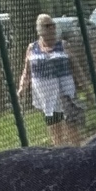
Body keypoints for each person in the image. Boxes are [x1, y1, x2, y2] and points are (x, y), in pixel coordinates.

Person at [18, 13, 87, 146]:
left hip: (65, 92)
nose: (52, 28)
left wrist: (86, 87)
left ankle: (77, 150)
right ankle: (59, 150)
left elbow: (76, 68)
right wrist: (22, 87)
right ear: (39, 29)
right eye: (47, 26)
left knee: (70, 122)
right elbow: (26, 71)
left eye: (53, 25)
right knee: (54, 122)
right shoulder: (32, 48)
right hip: (46, 96)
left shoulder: (63, 45)